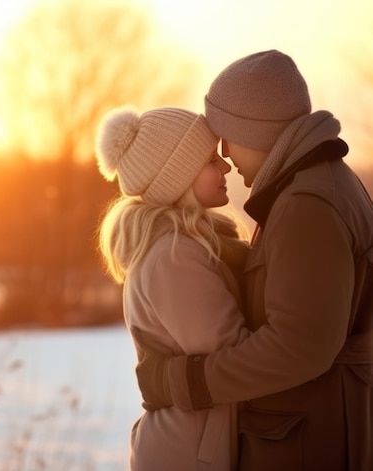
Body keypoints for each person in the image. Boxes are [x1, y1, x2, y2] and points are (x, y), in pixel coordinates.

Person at [134, 50, 373, 471]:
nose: (225, 152)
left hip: (306, 439)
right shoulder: (311, 189)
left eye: (226, 135)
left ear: (255, 132)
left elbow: (299, 346)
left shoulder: (308, 203)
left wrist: (179, 381)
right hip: (309, 428)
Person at [95, 105, 251, 470]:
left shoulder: (184, 247)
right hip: (189, 453)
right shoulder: (174, 256)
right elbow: (235, 356)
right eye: (211, 159)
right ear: (178, 176)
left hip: (196, 444)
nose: (225, 167)